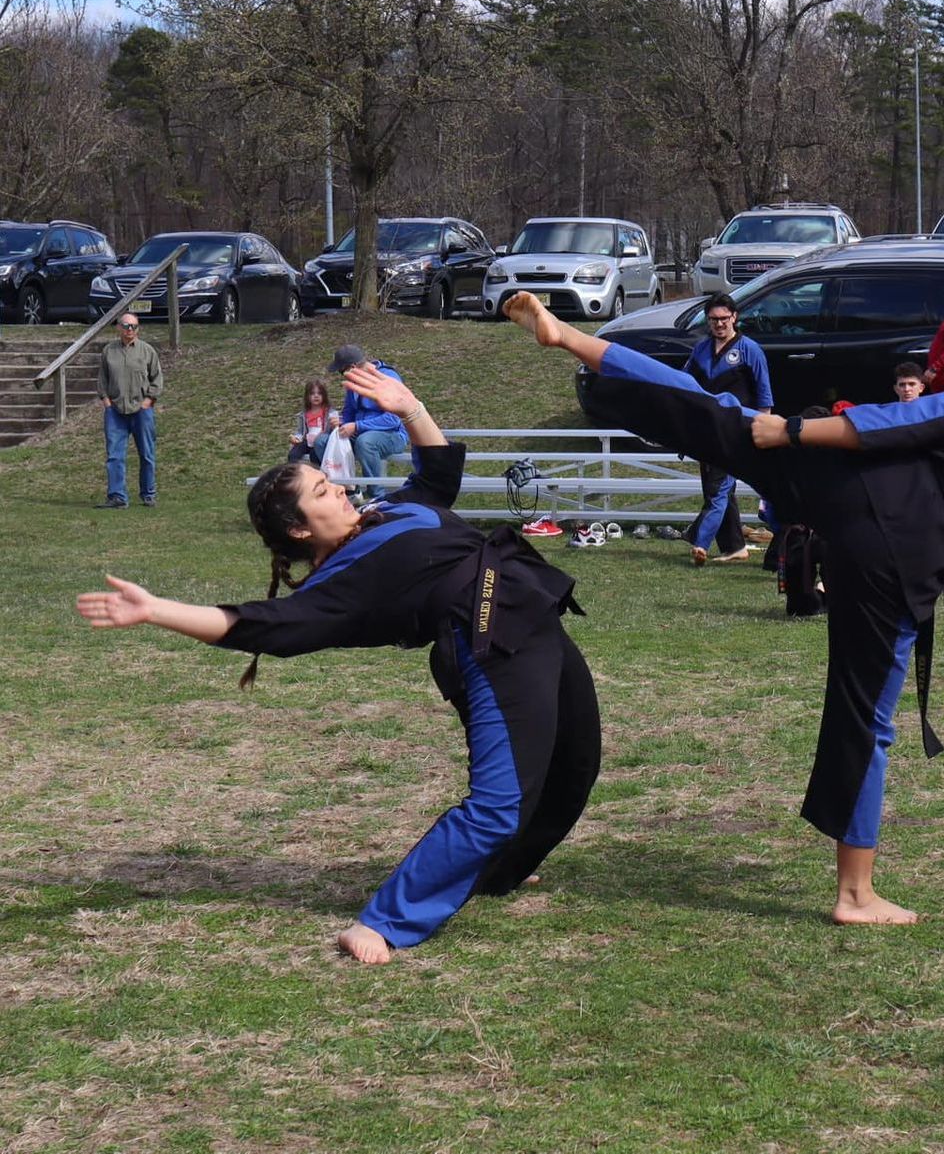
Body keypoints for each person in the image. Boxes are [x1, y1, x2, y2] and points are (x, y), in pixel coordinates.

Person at [505, 291, 944, 926]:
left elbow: (895, 421)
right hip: (899, 571)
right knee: (865, 719)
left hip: (850, 492)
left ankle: (570, 339)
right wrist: (942, 587)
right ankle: (856, 894)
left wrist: (791, 429)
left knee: (723, 414)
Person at [77, 362, 601, 965]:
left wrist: (409, 407)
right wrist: (157, 609)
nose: (343, 489)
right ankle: (382, 923)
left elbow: (439, 473)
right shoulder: (338, 585)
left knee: (574, 765)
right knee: (496, 804)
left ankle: (497, 872)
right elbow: (261, 627)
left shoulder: (386, 514)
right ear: (300, 529)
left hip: (531, 614)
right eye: (324, 491)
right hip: (489, 646)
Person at [682, 297, 773, 565]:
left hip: (736, 432)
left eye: (724, 318)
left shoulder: (749, 350)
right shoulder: (700, 350)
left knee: (719, 488)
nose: (719, 324)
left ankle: (700, 542)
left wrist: (761, 429)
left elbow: (764, 396)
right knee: (719, 488)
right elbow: (684, 384)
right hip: (706, 432)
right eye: (713, 319)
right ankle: (734, 547)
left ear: (734, 317)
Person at [312, 344, 409, 494]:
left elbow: (393, 419)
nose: (342, 375)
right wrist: (342, 422)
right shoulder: (354, 383)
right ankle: (347, 490)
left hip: (391, 434)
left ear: (352, 367)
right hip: (360, 432)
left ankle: (377, 495)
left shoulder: (388, 377)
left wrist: (357, 426)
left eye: (341, 371)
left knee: (366, 442)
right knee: (321, 442)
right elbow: (349, 410)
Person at [95, 314, 163, 508]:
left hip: (141, 410)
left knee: (147, 454)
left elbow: (156, 379)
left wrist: (148, 401)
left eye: (134, 326)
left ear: (138, 329)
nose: (130, 330)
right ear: (118, 328)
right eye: (126, 326)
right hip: (115, 411)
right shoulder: (109, 351)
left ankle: (148, 494)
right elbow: (102, 379)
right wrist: (106, 401)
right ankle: (117, 497)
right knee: (115, 455)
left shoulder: (147, 351)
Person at [288, 379, 331, 464]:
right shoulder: (303, 414)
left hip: (320, 442)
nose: (316, 396)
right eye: (312, 393)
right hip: (307, 441)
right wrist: (296, 438)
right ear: (307, 396)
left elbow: (331, 430)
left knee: (314, 455)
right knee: (293, 454)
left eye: (319, 393)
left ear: (324, 396)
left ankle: (318, 474)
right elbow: (301, 432)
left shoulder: (329, 413)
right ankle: (296, 473)